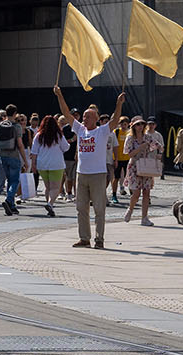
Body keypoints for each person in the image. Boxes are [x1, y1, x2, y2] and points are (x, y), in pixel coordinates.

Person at [54, 87, 125, 249]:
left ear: (96, 119)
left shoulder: (102, 131)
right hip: (82, 174)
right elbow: (66, 113)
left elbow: (115, 120)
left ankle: (99, 240)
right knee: (81, 209)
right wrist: (59, 95)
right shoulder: (79, 129)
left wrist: (119, 104)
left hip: (98, 175)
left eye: (88, 117)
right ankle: (84, 238)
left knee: (99, 209)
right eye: (84, 116)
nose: (84, 119)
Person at [121, 117, 162, 226]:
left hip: (146, 165)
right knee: (136, 192)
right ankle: (130, 209)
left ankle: (144, 217)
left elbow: (158, 146)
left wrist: (158, 151)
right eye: (138, 124)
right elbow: (129, 154)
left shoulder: (148, 137)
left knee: (146, 192)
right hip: (134, 166)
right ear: (133, 126)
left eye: (142, 124)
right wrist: (140, 148)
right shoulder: (130, 138)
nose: (140, 127)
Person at [27, 115, 66, 219]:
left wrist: (34, 165)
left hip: (42, 164)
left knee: (48, 187)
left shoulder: (39, 135)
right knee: (56, 188)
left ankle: (50, 207)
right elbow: (66, 147)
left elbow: (34, 152)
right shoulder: (58, 135)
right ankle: (50, 204)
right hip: (56, 164)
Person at [0, 107, 27, 216]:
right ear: (15, 113)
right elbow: (20, 145)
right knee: (14, 181)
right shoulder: (17, 127)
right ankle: (8, 199)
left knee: (9, 180)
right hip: (14, 155)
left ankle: (12, 206)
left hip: (2, 156)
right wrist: (25, 160)